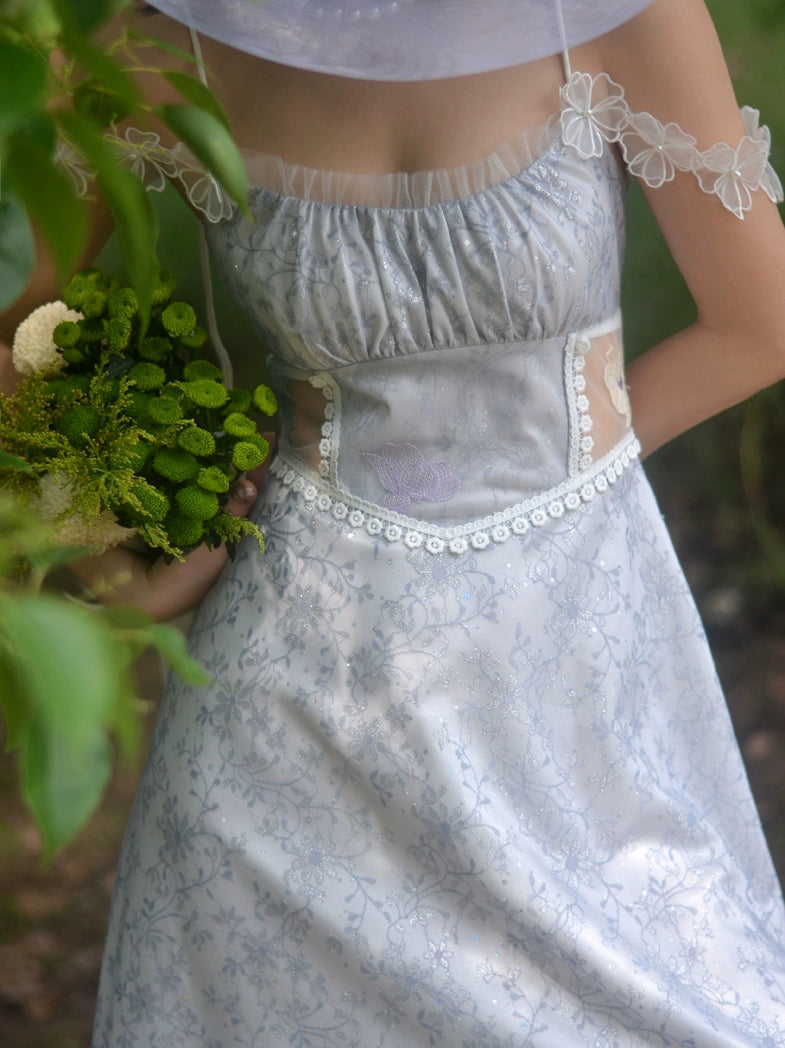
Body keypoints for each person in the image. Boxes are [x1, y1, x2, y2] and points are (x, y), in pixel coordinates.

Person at [5, 0, 785, 1043]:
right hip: (283, 716)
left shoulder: (608, 11)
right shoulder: (161, 43)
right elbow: (15, 334)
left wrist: (557, 461)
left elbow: (757, 324)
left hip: (571, 680)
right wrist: (113, 553)